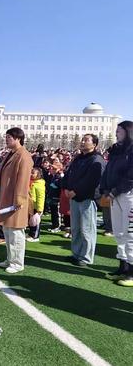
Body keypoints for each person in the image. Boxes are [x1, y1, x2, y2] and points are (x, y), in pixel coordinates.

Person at [0, 128, 33, 273]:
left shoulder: (24, 156)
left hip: (15, 200)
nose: (6, 139)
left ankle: (17, 263)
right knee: (7, 231)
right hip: (6, 198)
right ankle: (10, 259)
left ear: (18, 139)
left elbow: (23, 180)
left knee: (15, 232)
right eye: (6, 136)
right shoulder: (11, 154)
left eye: (9, 137)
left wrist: (19, 200)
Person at [62, 134, 105, 266]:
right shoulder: (78, 158)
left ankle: (86, 257)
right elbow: (68, 174)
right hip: (73, 198)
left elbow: (91, 180)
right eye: (83, 140)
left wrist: (76, 191)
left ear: (94, 144)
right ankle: (76, 254)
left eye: (86, 140)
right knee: (76, 228)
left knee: (87, 229)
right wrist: (66, 188)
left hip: (87, 198)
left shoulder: (97, 159)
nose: (82, 142)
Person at [100, 121, 133, 286]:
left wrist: (116, 190)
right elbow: (108, 171)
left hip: (128, 195)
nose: (116, 133)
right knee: (119, 233)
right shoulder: (115, 149)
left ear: (128, 132)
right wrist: (106, 189)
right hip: (114, 195)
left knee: (130, 233)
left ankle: (132, 273)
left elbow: (130, 175)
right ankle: (123, 266)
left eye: (119, 130)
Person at [27, 167, 46, 242]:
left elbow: (41, 197)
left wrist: (39, 209)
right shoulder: (32, 182)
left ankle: (35, 236)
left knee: (36, 222)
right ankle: (31, 233)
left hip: (36, 206)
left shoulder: (40, 184)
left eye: (33, 173)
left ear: (38, 175)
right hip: (31, 205)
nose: (31, 174)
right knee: (31, 221)